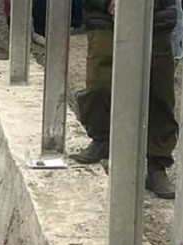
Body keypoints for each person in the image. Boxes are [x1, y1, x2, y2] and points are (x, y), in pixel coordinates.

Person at [74, 0, 179, 199]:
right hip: (104, 18)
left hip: (156, 17)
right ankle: (101, 138)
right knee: (99, 84)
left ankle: (158, 163)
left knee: (159, 93)